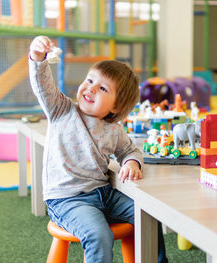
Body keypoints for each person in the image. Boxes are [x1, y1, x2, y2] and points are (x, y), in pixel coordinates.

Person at [29, 36, 168, 263]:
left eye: (102, 88)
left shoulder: (114, 129)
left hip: (103, 195)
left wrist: (132, 163)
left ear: (116, 106)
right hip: (67, 199)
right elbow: (42, 85)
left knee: (148, 213)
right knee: (99, 234)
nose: (90, 88)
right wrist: (37, 57)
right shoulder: (61, 109)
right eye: (89, 80)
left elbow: (130, 151)